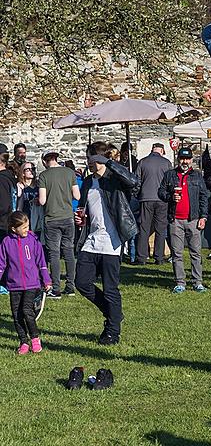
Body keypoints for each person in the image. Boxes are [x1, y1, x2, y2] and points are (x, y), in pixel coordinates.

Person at [74, 141, 140, 345]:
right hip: (91, 239)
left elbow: (134, 182)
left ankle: (113, 331)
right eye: (88, 160)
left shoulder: (114, 180)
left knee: (110, 288)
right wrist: (81, 218)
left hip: (112, 242)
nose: (90, 164)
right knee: (81, 282)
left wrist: (109, 163)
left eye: (93, 160)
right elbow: (86, 207)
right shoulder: (87, 182)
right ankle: (113, 313)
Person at [0, 211, 52, 354]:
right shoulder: (6, 242)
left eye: (28, 226)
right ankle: (23, 342)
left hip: (32, 284)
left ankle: (35, 339)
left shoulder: (33, 240)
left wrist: (46, 279)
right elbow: (1, 264)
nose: (27, 230)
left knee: (27, 311)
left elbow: (41, 262)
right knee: (16, 315)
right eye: (24, 227)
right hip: (14, 285)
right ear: (13, 229)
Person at [158, 147, 208, 293]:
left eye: (187, 159)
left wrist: (203, 217)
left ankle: (197, 281)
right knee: (177, 253)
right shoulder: (170, 175)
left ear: (191, 160)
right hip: (175, 220)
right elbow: (161, 192)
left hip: (193, 219)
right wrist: (170, 197)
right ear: (178, 159)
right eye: (182, 159)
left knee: (196, 252)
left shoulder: (197, 176)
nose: (184, 162)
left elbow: (203, 197)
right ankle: (180, 282)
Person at [38, 150, 80, 298]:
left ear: (45, 161)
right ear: (57, 159)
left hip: (51, 218)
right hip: (68, 216)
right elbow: (77, 195)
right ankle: (70, 286)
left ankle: (55, 289)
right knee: (69, 251)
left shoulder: (43, 176)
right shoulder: (69, 172)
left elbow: (42, 200)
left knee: (54, 253)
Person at [135, 143, 172, 265]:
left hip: (145, 198)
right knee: (160, 229)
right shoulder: (166, 163)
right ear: (162, 151)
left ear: (152, 150)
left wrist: (137, 194)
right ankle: (159, 257)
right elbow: (171, 182)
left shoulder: (142, 162)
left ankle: (141, 257)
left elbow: (137, 181)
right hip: (162, 200)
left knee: (144, 228)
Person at [16, 161, 43, 241]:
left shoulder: (40, 185)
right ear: (23, 173)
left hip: (38, 218)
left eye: (33, 169)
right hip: (26, 217)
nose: (31, 171)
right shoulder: (20, 186)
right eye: (28, 169)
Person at [0, 150, 17, 242]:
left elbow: (3, 205)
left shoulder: (2, 179)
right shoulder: (10, 177)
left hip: (3, 224)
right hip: (9, 221)